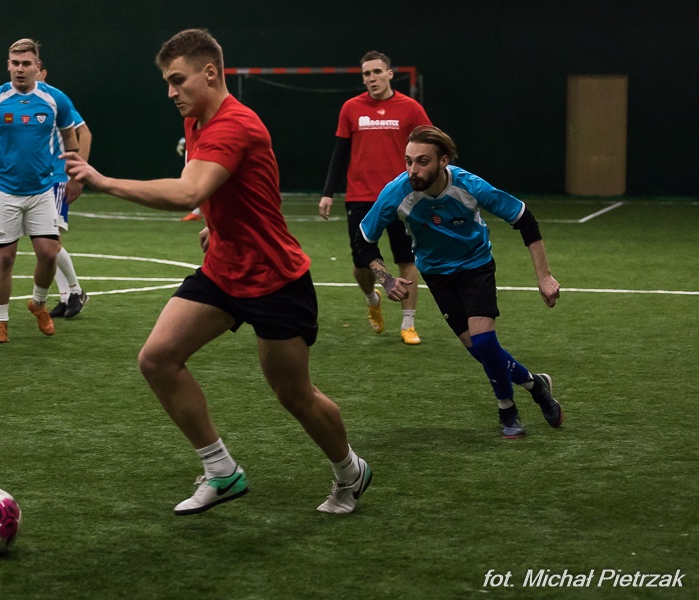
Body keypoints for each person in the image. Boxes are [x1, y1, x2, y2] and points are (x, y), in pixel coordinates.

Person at [65, 28, 371, 515]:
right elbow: (219, 187)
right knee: (157, 359)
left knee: (294, 395)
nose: (171, 92)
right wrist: (216, 224)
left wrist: (104, 181)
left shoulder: (235, 124)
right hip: (224, 271)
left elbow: (189, 191)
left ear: (210, 73)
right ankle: (221, 470)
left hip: (275, 280)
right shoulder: (196, 120)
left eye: (178, 80)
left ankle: (350, 471)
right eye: (167, 83)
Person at [355, 125, 563, 438]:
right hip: (436, 275)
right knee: (480, 351)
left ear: (443, 161)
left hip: (476, 266)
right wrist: (385, 279)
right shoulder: (396, 192)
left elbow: (524, 219)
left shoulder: (469, 185)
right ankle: (535, 384)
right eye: (408, 161)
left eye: (422, 161)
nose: (413, 170)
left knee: (484, 342)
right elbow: (364, 239)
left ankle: (507, 409)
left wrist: (544, 276)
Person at [0, 38, 83, 343]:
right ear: (8, 65)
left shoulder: (55, 99)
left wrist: (75, 176)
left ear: (37, 67)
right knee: (5, 258)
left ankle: (38, 303)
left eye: (26, 63)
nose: (20, 69)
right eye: (15, 63)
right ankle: (0, 322)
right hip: (3, 189)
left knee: (49, 253)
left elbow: (71, 139)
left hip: (42, 189)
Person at [319, 51, 431, 345]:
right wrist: (328, 193)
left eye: (377, 72)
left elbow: (430, 146)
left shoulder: (411, 109)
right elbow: (340, 153)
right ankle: (372, 298)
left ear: (390, 74)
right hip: (360, 197)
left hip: (403, 197)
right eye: (366, 74)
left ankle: (408, 324)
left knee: (406, 258)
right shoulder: (351, 108)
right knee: (361, 264)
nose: (372, 78)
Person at [35, 64, 92, 319]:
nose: (26, 72)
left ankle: (76, 292)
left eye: (32, 66)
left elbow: (85, 132)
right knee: (44, 245)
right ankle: (66, 296)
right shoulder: (20, 101)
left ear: (43, 72)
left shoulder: (55, 98)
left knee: (50, 242)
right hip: (38, 181)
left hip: (58, 178)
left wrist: (78, 174)